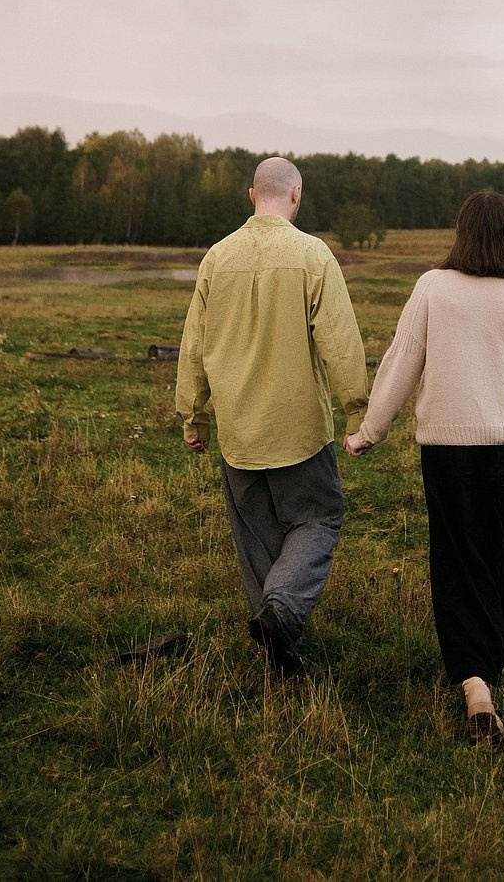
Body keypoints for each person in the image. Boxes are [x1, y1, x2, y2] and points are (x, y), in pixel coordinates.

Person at [344, 191, 504, 745]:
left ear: (462, 233)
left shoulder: (433, 288)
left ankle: (474, 685)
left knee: (457, 557)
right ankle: (488, 671)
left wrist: (369, 432)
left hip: (447, 449)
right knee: (501, 559)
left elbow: (402, 360)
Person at [176, 156, 369, 677]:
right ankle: (282, 613)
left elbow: (193, 345)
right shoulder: (313, 255)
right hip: (299, 430)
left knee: (257, 539)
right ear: (296, 195)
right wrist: (359, 411)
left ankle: (278, 650)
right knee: (318, 517)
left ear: (250, 194)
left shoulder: (216, 258)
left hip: (238, 432)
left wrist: (192, 416)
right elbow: (341, 342)